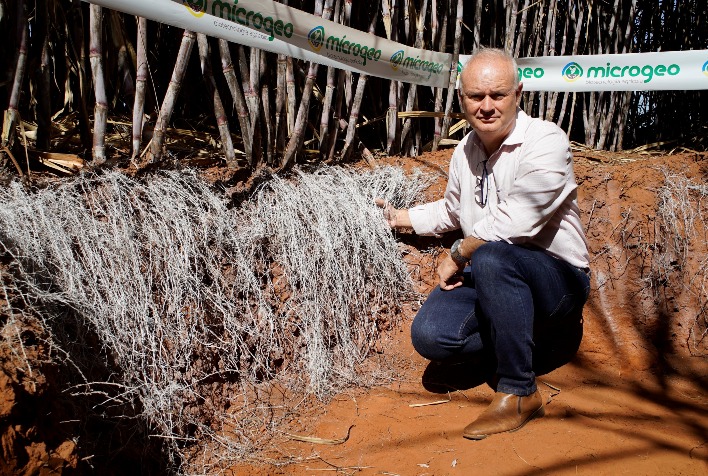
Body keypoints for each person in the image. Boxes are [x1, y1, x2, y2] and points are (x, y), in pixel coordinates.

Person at [376, 47, 590, 440]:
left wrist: (459, 252)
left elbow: (519, 220)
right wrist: (404, 219)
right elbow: (456, 210)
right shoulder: (465, 150)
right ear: (462, 99)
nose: (487, 106)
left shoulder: (545, 140)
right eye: (476, 96)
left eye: (498, 95)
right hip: (494, 277)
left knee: (492, 255)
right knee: (432, 335)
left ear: (518, 94)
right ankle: (517, 337)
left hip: (556, 282)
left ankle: (519, 389)